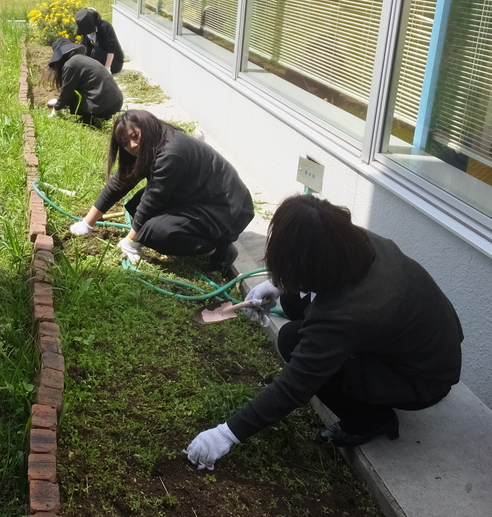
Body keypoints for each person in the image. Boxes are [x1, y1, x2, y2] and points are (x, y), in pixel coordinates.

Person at [184, 194, 463, 470]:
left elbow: (295, 386)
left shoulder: (350, 312)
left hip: (423, 379)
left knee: (292, 341)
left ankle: (371, 421)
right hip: (426, 343)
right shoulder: (351, 240)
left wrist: (226, 434)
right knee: (293, 299)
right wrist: (277, 284)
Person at [70, 110, 253, 273]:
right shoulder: (150, 144)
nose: (132, 145)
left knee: (156, 233)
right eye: (125, 142)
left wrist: (131, 241)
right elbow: (120, 183)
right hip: (196, 196)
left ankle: (219, 250)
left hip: (227, 208)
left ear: (147, 128)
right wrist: (87, 223)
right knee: (136, 207)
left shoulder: (171, 152)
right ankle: (190, 238)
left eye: (135, 136)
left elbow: (153, 200)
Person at [45, 38, 124, 126]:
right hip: (117, 102)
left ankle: (89, 120)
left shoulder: (71, 64)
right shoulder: (82, 59)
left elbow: (67, 91)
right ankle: (89, 117)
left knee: (73, 95)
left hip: (104, 107)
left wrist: (56, 108)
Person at [74, 7, 124, 74]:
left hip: (114, 63)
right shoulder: (86, 32)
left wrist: (107, 67)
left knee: (96, 51)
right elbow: (84, 47)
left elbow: (111, 49)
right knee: (86, 50)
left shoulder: (105, 26)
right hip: (98, 59)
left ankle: (96, 72)